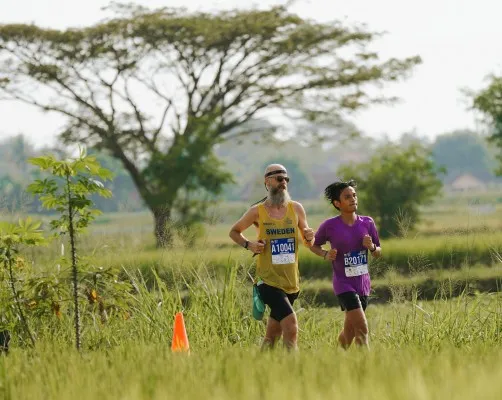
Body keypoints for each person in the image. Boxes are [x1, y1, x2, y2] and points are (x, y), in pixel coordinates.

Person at [229, 164, 315, 350]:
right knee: (291, 327)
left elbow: (308, 241)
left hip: (291, 282)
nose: (283, 182)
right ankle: (294, 371)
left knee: (272, 336)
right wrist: (249, 244)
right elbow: (234, 232)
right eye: (278, 178)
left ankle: (261, 368)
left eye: (286, 179)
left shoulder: (297, 209)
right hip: (268, 282)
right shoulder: (256, 211)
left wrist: (310, 237)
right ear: (267, 182)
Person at [309, 180, 381, 349]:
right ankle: (367, 366)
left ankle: (336, 355)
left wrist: (371, 247)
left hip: (363, 284)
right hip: (344, 284)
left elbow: (378, 252)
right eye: (347, 197)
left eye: (354, 195)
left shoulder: (367, 223)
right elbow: (313, 245)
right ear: (337, 203)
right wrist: (326, 254)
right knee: (362, 329)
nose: (353, 199)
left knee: (349, 332)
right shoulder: (330, 225)